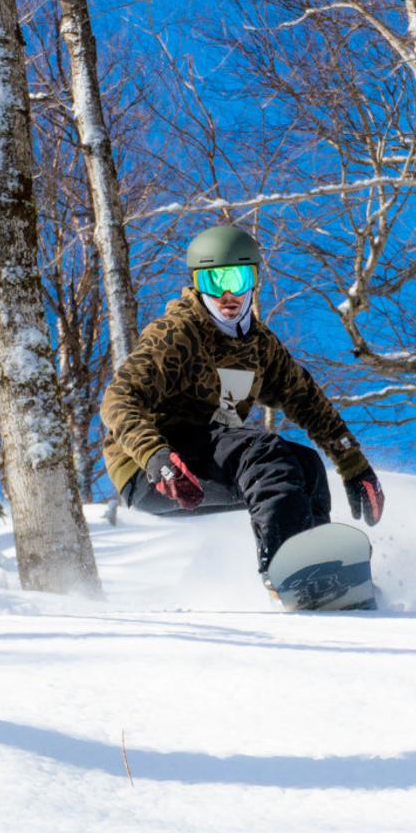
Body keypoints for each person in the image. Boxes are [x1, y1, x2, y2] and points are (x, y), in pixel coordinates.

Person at [99, 223, 383, 577]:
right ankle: (285, 570)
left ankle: (321, 573)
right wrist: (156, 456)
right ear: (198, 284)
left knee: (306, 467)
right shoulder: (177, 332)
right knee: (267, 456)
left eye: (239, 278)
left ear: (254, 280)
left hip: (205, 456)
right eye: (214, 282)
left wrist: (354, 464)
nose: (227, 294)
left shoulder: (259, 346)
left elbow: (307, 400)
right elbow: (118, 398)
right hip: (151, 470)